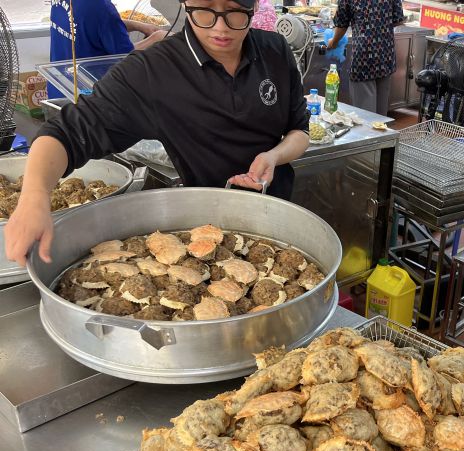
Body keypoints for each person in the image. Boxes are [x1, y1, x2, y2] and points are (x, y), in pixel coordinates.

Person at [4, 0, 310, 267]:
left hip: (278, 218)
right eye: (204, 10)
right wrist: (34, 197)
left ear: (253, 6)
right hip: (206, 235)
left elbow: (300, 130)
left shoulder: (275, 50)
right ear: (184, 4)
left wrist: (273, 156)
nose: (220, 28)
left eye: (234, 13)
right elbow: (66, 132)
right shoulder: (153, 71)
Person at [48, 0, 166, 98]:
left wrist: (139, 26)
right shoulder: (101, 6)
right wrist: (155, 39)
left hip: (58, 86)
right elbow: (126, 56)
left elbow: (95, 25)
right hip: (86, 95)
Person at [327, 0, 405, 115]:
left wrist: (333, 42)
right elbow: (398, 20)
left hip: (363, 57)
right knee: (380, 116)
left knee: (364, 115)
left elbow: (342, 24)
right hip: (386, 53)